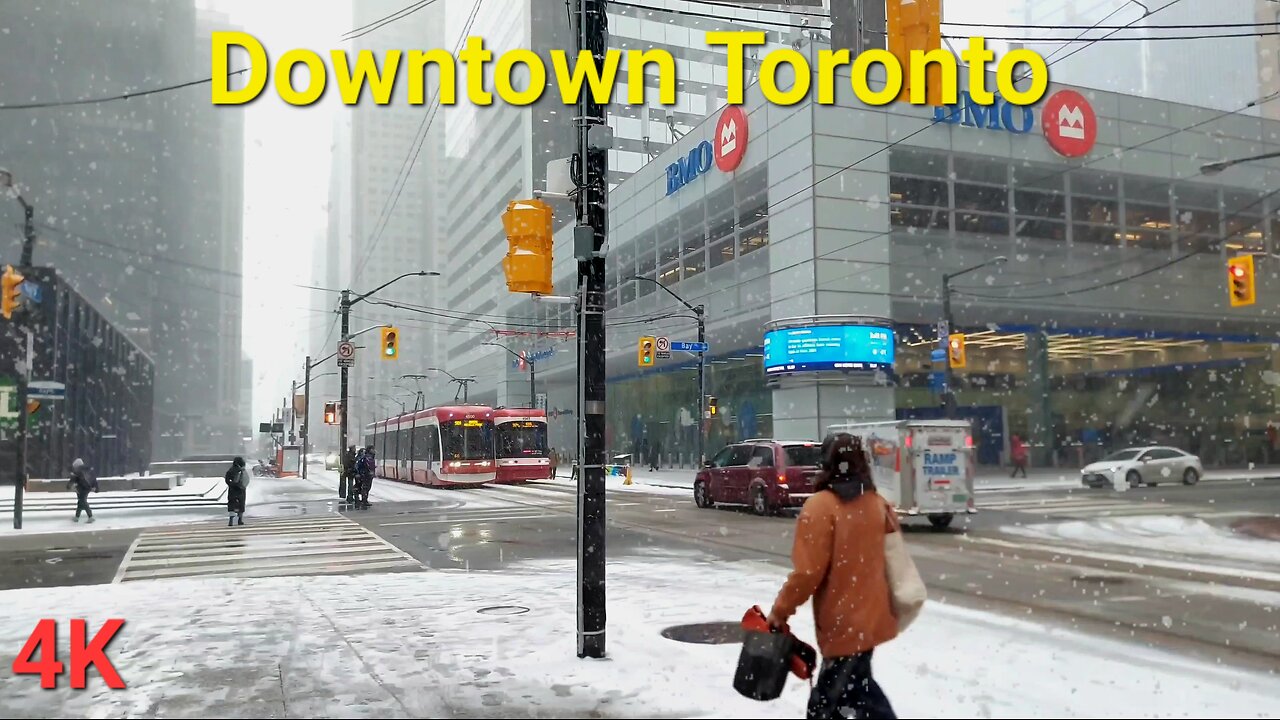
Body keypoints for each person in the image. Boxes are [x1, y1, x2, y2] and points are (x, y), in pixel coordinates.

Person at [768, 433, 903, 719]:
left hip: (842, 625)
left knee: (828, 705)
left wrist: (780, 612)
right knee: (857, 692)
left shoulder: (821, 507)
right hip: (872, 620)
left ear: (826, 464)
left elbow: (807, 573)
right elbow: (892, 552)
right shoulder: (877, 503)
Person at [67, 459, 98, 523]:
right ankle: (77, 517)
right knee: (81, 502)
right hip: (87, 488)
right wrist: (96, 487)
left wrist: (68, 486)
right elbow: (93, 479)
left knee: (83, 501)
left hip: (81, 489)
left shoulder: (77, 471)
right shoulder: (88, 469)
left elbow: (73, 479)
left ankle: (90, 517)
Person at [225, 457, 250, 527]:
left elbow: (227, 479)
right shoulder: (242, 470)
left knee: (232, 503)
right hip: (241, 490)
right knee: (241, 504)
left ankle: (231, 520)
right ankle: (240, 519)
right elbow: (246, 479)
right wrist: (242, 486)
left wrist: (232, 484)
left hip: (232, 490)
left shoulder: (231, 470)